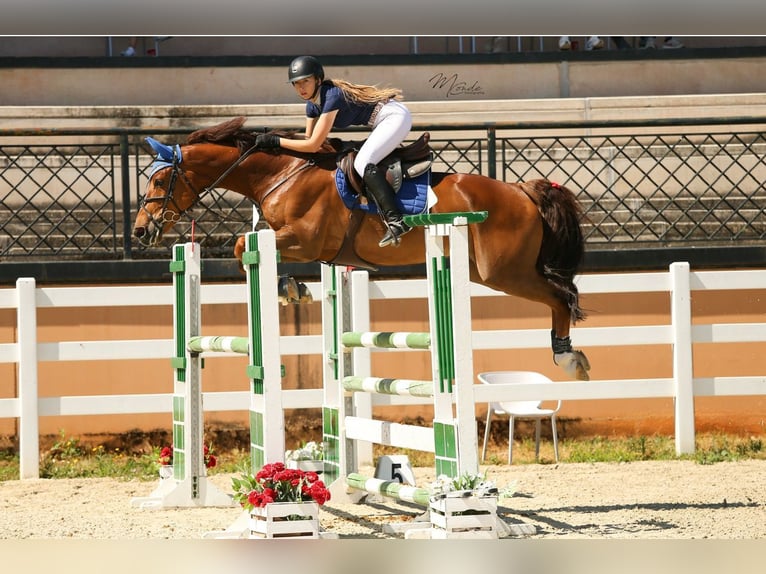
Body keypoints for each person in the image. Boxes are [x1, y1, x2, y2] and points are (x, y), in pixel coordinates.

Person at [254, 55, 413, 248]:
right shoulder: (312, 106)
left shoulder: (332, 96)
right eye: (296, 83)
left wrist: (277, 141)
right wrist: (274, 142)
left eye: (306, 81)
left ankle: (396, 220)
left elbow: (312, 145)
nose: (301, 88)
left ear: (318, 80)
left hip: (394, 117)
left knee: (362, 163)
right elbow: (308, 142)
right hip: (381, 121)